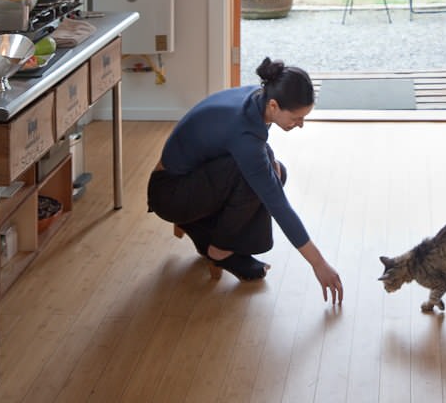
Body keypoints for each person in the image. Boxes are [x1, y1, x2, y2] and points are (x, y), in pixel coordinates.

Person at [147, 56, 343, 304]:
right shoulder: (244, 131)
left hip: (188, 178)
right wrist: (319, 264)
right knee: (261, 180)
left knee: (276, 171)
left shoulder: (258, 98)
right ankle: (218, 249)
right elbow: (278, 206)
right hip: (170, 194)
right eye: (296, 118)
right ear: (274, 106)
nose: (300, 125)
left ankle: (201, 227)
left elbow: (256, 150)